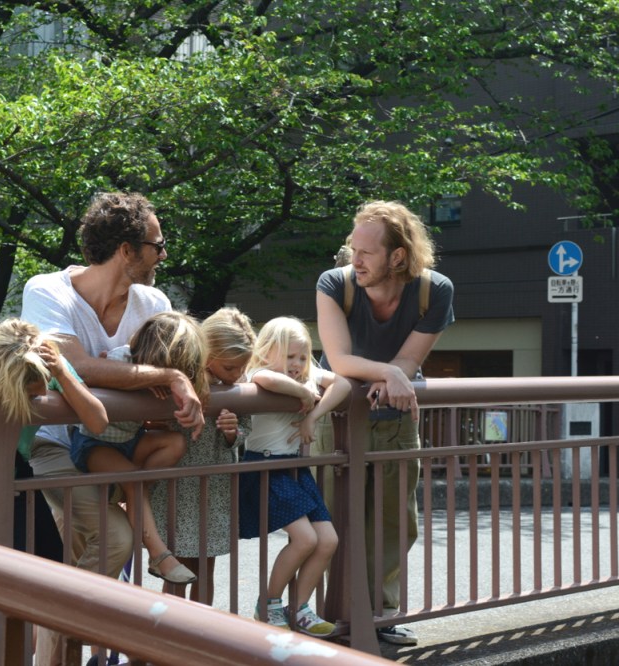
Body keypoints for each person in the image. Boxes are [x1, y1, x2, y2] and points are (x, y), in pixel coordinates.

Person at [20, 190, 205, 583]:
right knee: (113, 540)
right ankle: (69, 628)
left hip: (120, 443)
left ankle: (72, 634)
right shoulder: (47, 291)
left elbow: (187, 364)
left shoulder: (153, 301)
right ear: (126, 250)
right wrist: (170, 377)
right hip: (58, 445)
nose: (164, 255)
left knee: (97, 548)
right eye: (158, 245)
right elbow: (77, 367)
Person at [315, 200, 454, 646]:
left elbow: (410, 359)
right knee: (329, 521)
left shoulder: (435, 290)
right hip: (337, 418)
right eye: (353, 248)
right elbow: (338, 360)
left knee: (393, 522)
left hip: (395, 418)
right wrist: (390, 372)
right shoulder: (335, 284)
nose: (354, 259)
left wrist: (395, 371)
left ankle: (379, 617)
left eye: (366, 252)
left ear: (398, 256)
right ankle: (326, 617)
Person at [0, 317, 109, 664]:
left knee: (51, 581)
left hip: (19, 480)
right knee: (0, 593)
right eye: (32, 394)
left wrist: (62, 373)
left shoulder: (46, 362)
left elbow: (97, 421)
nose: (40, 398)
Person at [71, 311, 210, 585]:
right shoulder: (118, 362)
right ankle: (159, 556)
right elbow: (90, 383)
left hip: (130, 441)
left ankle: (136, 492)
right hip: (94, 443)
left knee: (174, 442)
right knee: (134, 480)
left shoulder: (167, 376)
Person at [238, 316, 351, 637]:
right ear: (268, 350)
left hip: (295, 469)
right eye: (289, 356)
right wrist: (304, 393)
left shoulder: (307, 374)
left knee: (327, 540)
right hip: (265, 466)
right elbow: (269, 382)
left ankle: (299, 608)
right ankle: (269, 603)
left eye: (302, 356)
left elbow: (341, 384)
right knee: (305, 539)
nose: (298, 363)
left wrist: (313, 415)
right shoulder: (257, 371)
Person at [150, 307, 257, 604]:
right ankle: (168, 637)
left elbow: (245, 428)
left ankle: (199, 635)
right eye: (230, 368)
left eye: (241, 368)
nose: (237, 375)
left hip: (215, 486)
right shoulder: (181, 380)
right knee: (178, 567)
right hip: (180, 484)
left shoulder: (239, 386)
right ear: (208, 356)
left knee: (207, 567)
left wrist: (233, 433)